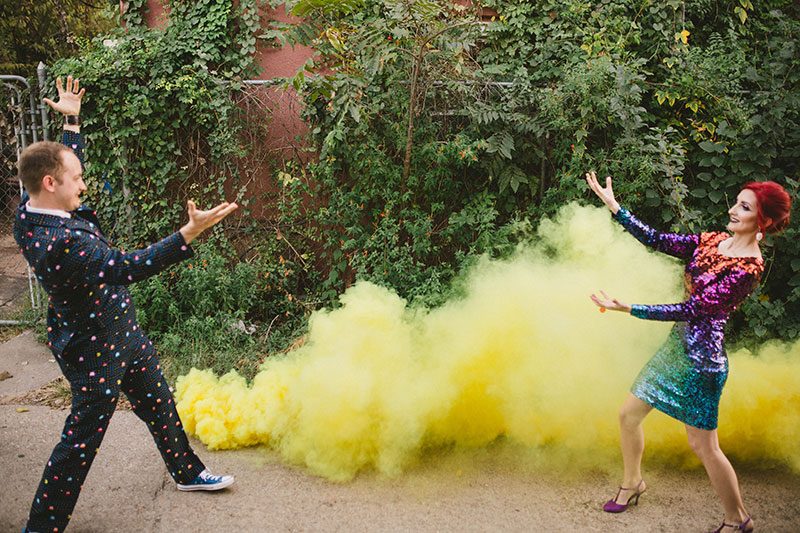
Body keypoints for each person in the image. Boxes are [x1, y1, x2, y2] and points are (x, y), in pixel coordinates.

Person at [15, 75, 239, 533]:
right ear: (52, 182)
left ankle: (187, 473)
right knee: (80, 442)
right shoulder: (60, 243)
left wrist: (72, 122)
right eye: (76, 178)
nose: (84, 183)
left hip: (121, 332)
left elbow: (55, 165)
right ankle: (41, 526)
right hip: (93, 348)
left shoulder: (29, 206)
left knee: (158, 402)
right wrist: (188, 234)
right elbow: (126, 266)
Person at [585, 171, 791, 532]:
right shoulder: (711, 241)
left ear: (764, 221)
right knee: (628, 416)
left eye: (744, 207)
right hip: (675, 351)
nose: (732, 210)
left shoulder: (747, 269)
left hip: (701, 364)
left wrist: (629, 308)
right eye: (736, 202)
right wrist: (615, 207)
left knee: (704, 447)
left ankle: (738, 519)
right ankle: (633, 483)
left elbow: (693, 309)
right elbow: (656, 239)